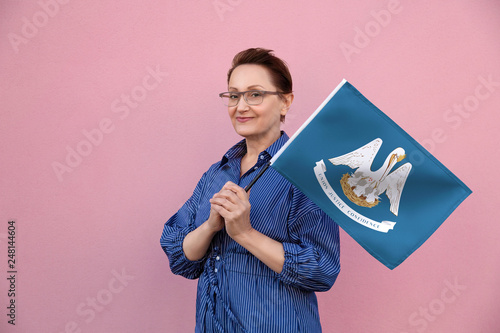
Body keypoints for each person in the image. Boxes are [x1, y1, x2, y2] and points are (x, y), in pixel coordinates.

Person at [160, 48, 341, 333]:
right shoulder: (217, 174)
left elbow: (321, 270)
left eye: (255, 94)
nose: (240, 106)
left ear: (285, 102)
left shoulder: (308, 175)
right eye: (233, 96)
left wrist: (244, 233)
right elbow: (180, 257)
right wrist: (209, 227)